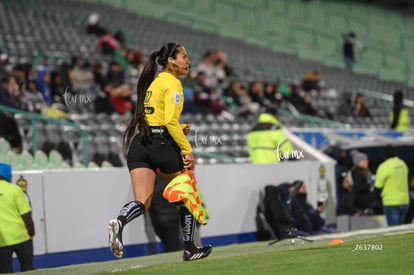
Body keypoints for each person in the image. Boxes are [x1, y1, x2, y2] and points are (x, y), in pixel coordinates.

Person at [107, 43, 212, 261]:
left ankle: (119, 221)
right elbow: (169, 121)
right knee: (186, 193)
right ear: (171, 61)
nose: (188, 61)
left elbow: (158, 119)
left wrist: (177, 130)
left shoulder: (154, 82)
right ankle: (190, 248)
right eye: (184, 56)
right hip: (160, 144)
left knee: (142, 202)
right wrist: (187, 149)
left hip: (140, 142)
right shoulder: (172, 83)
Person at [0, 163, 35, 273]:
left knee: (5, 272)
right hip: (21, 237)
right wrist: (31, 232)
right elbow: (26, 215)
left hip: (2, 240)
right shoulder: (15, 189)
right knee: (28, 269)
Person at [374, 145, 409, 226]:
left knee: (394, 231)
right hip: (404, 201)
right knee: (401, 230)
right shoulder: (403, 164)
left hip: (391, 202)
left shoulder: (384, 166)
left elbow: (378, 186)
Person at [149, 173, 182, 252]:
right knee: (174, 246)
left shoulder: (149, 186)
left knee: (168, 245)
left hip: (156, 220)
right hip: (171, 218)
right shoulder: (167, 182)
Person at [349, 150, 379, 214]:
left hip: (368, 202)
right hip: (362, 205)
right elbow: (357, 188)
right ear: (359, 162)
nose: (367, 162)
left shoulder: (366, 172)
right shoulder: (357, 174)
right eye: (364, 160)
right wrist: (369, 184)